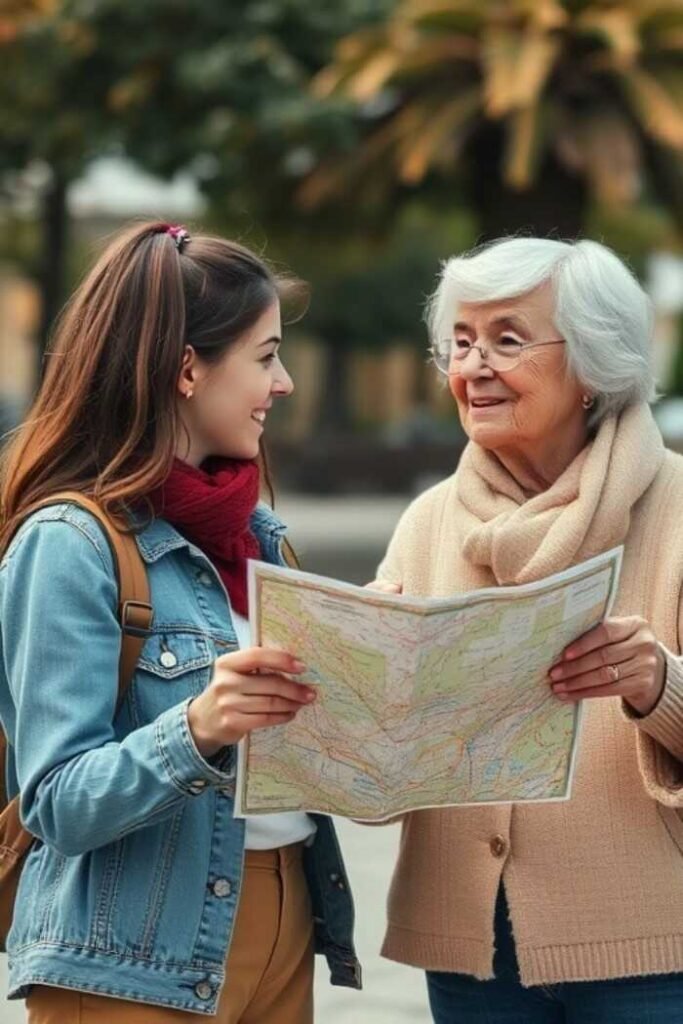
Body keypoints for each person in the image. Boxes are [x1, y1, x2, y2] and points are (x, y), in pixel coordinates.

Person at [0, 221, 361, 1024]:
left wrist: (378, 674)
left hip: (285, 914)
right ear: (188, 368)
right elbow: (55, 801)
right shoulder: (69, 544)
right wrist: (198, 726)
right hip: (132, 957)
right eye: (266, 357)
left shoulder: (259, 538)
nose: (286, 383)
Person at [371, 237, 683, 1023]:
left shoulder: (678, 506)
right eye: (461, 342)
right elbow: (377, 758)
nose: (473, 366)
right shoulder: (427, 521)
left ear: (592, 363)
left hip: (650, 950)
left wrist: (658, 682)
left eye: (507, 339)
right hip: (471, 950)